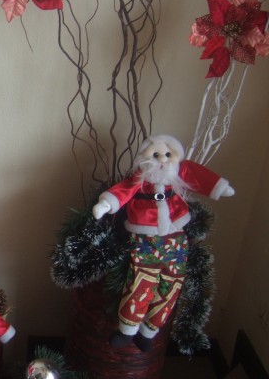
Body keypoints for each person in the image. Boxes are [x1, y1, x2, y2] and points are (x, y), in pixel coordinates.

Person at [92, 134, 234, 351]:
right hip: (145, 238)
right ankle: (127, 329)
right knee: (140, 283)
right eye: (156, 155)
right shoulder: (139, 180)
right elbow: (122, 192)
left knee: (171, 284)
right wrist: (105, 205)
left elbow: (199, 176)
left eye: (168, 155)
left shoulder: (178, 172)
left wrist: (220, 187)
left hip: (175, 238)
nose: (162, 160)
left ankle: (149, 330)